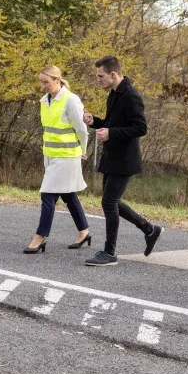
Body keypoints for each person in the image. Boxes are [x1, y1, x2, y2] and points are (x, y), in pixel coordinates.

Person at [83, 56, 162, 266]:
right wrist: (96, 122)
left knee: (109, 202)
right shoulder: (114, 94)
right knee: (112, 201)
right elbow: (112, 124)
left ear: (113, 74)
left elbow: (141, 128)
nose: (98, 80)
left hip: (125, 159)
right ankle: (149, 229)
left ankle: (110, 253)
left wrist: (111, 133)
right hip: (112, 156)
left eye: (100, 76)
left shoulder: (130, 95)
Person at [25, 65, 91, 254]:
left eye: (46, 82)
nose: (43, 86)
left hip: (67, 157)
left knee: (48, 194)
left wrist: (83, 150)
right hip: (52, 157)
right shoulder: (45, 101)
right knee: (68, 195)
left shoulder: (70, 100)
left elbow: (81, 129)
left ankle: (40, 237)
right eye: (41, 82)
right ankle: (84, 231)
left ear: (57, 80)